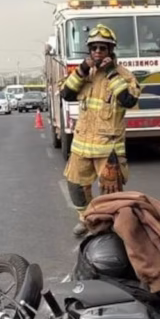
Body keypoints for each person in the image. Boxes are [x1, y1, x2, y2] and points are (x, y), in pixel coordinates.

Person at [59, 23, 141, 237]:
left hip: (108, 149)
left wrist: (111, 73)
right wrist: (82, 70)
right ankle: (87, 219)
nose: (97, 52)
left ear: (110, 51)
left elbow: (128, 100)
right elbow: (66, 94)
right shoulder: (84, 74)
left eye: (102, 48)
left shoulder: (124, 76)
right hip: (81, 146)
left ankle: (109, 229)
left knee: (111, 194)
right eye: (94, 48)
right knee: (75, 185)